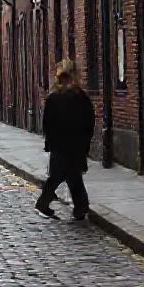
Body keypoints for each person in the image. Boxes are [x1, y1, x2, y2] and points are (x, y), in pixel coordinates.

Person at [36, 60, 95, 221]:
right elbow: (89, 121)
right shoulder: (80, 97)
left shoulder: (54, 97)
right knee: (65, 175)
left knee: (68, 175)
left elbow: (47, 124)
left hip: (61, 144)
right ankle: (45, 204)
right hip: (74, 144)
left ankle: (80, 208)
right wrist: (86, 142)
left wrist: (49, 144)